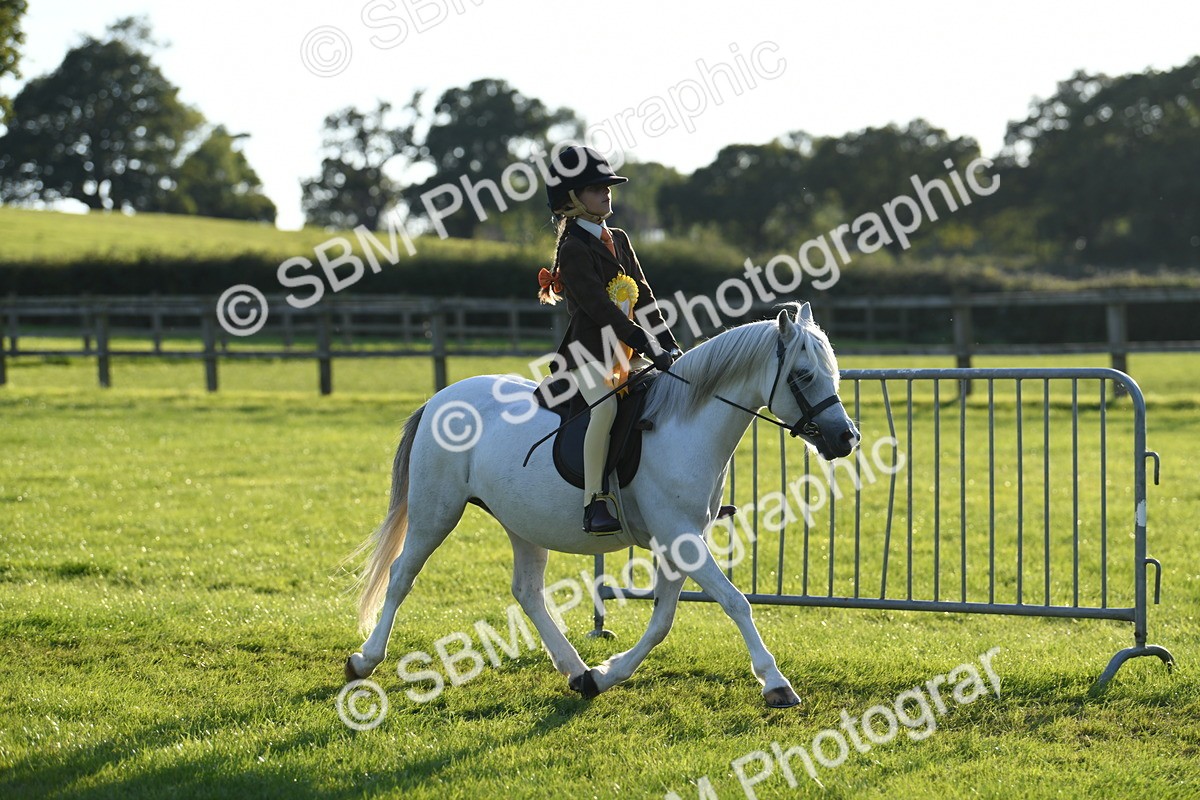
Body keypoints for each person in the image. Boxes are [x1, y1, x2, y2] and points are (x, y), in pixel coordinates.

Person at [537, 146, 681, 533]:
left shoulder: (619, 238)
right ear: (571, 200)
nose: (607, 192)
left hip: (630, 351)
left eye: (607, 186)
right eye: (595, 188)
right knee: (605, 410)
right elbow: (600, 309)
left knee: (666, 397)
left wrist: (668, 343)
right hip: (588, 357)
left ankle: (677, 495)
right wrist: (648, 344)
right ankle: (594, 502)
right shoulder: (573, 249)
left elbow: (645, 296)